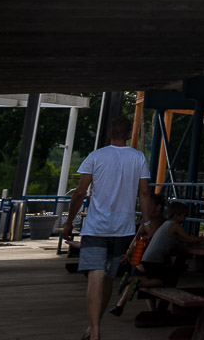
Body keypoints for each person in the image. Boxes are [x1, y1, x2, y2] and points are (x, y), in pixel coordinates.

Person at [60, 117, 155, 340]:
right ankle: (95, 326)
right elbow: (144, 193)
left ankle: (95, 331)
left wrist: (68, 223)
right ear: (129, 135)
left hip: (95, 228)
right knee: (108, 279)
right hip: (122, 229)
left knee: (95, 277)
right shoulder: (138, 157)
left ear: (109, 134)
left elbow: (80, 192)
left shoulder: (96, 156)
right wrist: (147, 223)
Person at [109, 202, 201, 317]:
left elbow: (138, 238)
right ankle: (136, 289)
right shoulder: (171, 225)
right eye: (184, 215)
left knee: (141, 278)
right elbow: (188, 239)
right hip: (153, 259)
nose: (185, 218)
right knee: (161, 281)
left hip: (143, 257)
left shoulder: (159, 224)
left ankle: (121, 304)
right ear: (176, 215)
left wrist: (129, 253)